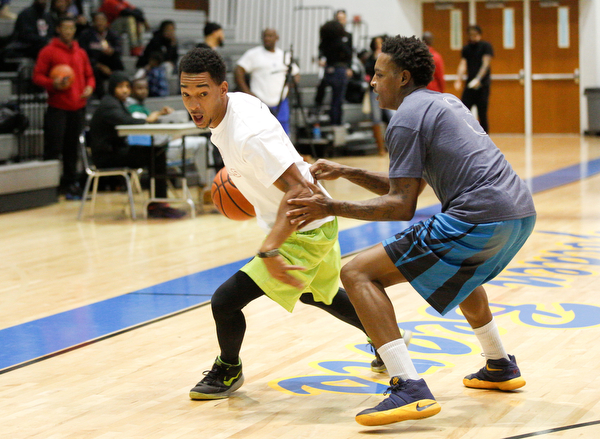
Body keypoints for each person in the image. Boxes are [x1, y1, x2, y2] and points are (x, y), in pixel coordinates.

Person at [287, 35, 536, 427]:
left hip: (479, 215)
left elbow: (401, 206)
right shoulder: (444, 101)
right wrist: (348, 172)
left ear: (403, 78)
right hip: (520, 213)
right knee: (463, 272)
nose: (371, 81)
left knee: (356, 273)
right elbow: (407, 185)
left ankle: (408, 386)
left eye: (379, 74)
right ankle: (499, 364)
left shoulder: (404, 118)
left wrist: (330, 205)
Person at [178, 47, 404, 400]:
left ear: (223, 90)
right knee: (320, 296)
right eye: (187, 94)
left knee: (224, 301)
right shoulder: (234, 108)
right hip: (311, 220)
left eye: (202, 94)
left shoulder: (247, 134)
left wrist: (271, 248)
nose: (194, 104)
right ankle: (385, 338)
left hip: (305, 227)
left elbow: (299, 191)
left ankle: (228, 369)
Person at [88, 71, 185, 218]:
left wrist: (156, 115)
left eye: (127, 86)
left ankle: (158, 203)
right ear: (112, 87)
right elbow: (127, 121)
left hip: (116, 151)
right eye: (121, 87)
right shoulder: (109, 104)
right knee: (156, 154)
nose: (125, 90)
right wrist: (147, 120)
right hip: (106, 156)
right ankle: (158, 204)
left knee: (156, 152)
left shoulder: (117, 103)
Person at [33, 16, 95, 200]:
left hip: (78, 107)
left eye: (72, 28)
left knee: (72, 148)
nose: (68, 31)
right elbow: (37, 77)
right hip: (58, 107)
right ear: (59, 29)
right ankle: (49, 187)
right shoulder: (48, 51)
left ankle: (70, 185)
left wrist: (90, 87)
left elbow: (89, 75)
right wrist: (53, 84)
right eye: (65, 28)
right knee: (53, 148)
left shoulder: (80, 52)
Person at [234, 28, 299, 135]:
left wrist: (289, 87)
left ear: (277, 38)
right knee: (260, 134)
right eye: (265, 36)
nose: (267, 38)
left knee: (283, 134)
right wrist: (247, 92)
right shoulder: (253, 54)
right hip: (260, 102)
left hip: (280, 101)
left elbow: (296, 74)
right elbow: (238, 70)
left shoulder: (284, 55)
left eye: (270, 36)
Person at [314, 10, 353, 126]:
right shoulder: (333, 38)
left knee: (335, 99)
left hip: (337, 68)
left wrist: (349, 67)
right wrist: (321, 58)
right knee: (336, 99)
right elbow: (347, 52)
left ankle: (334, 121)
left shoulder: (345, 36)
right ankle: (335, 122)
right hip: (335, 69)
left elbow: (349, 54)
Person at [454, 24, 493, 133]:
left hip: (482, 86)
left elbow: (485, 64)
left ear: (479, 34)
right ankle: (464, 135)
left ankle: (485, 138)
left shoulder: (486, 46)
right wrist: (458, 79)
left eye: (475, 35)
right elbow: (463, 64)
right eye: (471, 35)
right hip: (469, 85)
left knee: (482, 114)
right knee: (463, 110)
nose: (473, 37)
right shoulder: (466, 48)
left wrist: (478, 79)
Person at [78, 11, 124, 98]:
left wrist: (112, 50)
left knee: (118, 65)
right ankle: (101, 96)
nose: (100, 23)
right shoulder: (86, 35)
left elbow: (119, 49)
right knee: (93, 70)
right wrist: (99, 66)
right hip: (93, 64)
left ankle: (120, 91)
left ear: (106, 22)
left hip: (110, 62)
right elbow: (83, 54)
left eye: (102, 20)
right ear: (93, 22)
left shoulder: (112, 34)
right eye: (97, 20)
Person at [362, 35, 392, 156]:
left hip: (387, 90)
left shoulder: (388, 57)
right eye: (377, 43)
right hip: (374, 91)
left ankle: (392, 146)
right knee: (376, 119)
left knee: (392, 116)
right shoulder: (370, 58)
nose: (379, 45)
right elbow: (368, 72)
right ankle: (380, 148)